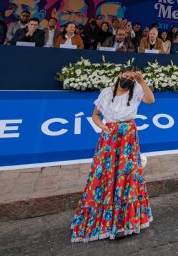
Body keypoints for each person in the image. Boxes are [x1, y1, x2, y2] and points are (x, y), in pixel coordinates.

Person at [71, 68, 154, 242]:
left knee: (127, 176)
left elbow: (150, 100)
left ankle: (124, 222)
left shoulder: (136, 90)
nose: (127, 79)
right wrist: (102, 127)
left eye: (131, 78)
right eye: (126, 76)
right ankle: (105, 220)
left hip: (128, 138)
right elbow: (95, 115)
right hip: (109, 137)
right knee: (105, 175)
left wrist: (141, 80)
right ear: (118, 75)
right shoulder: (106, 93)